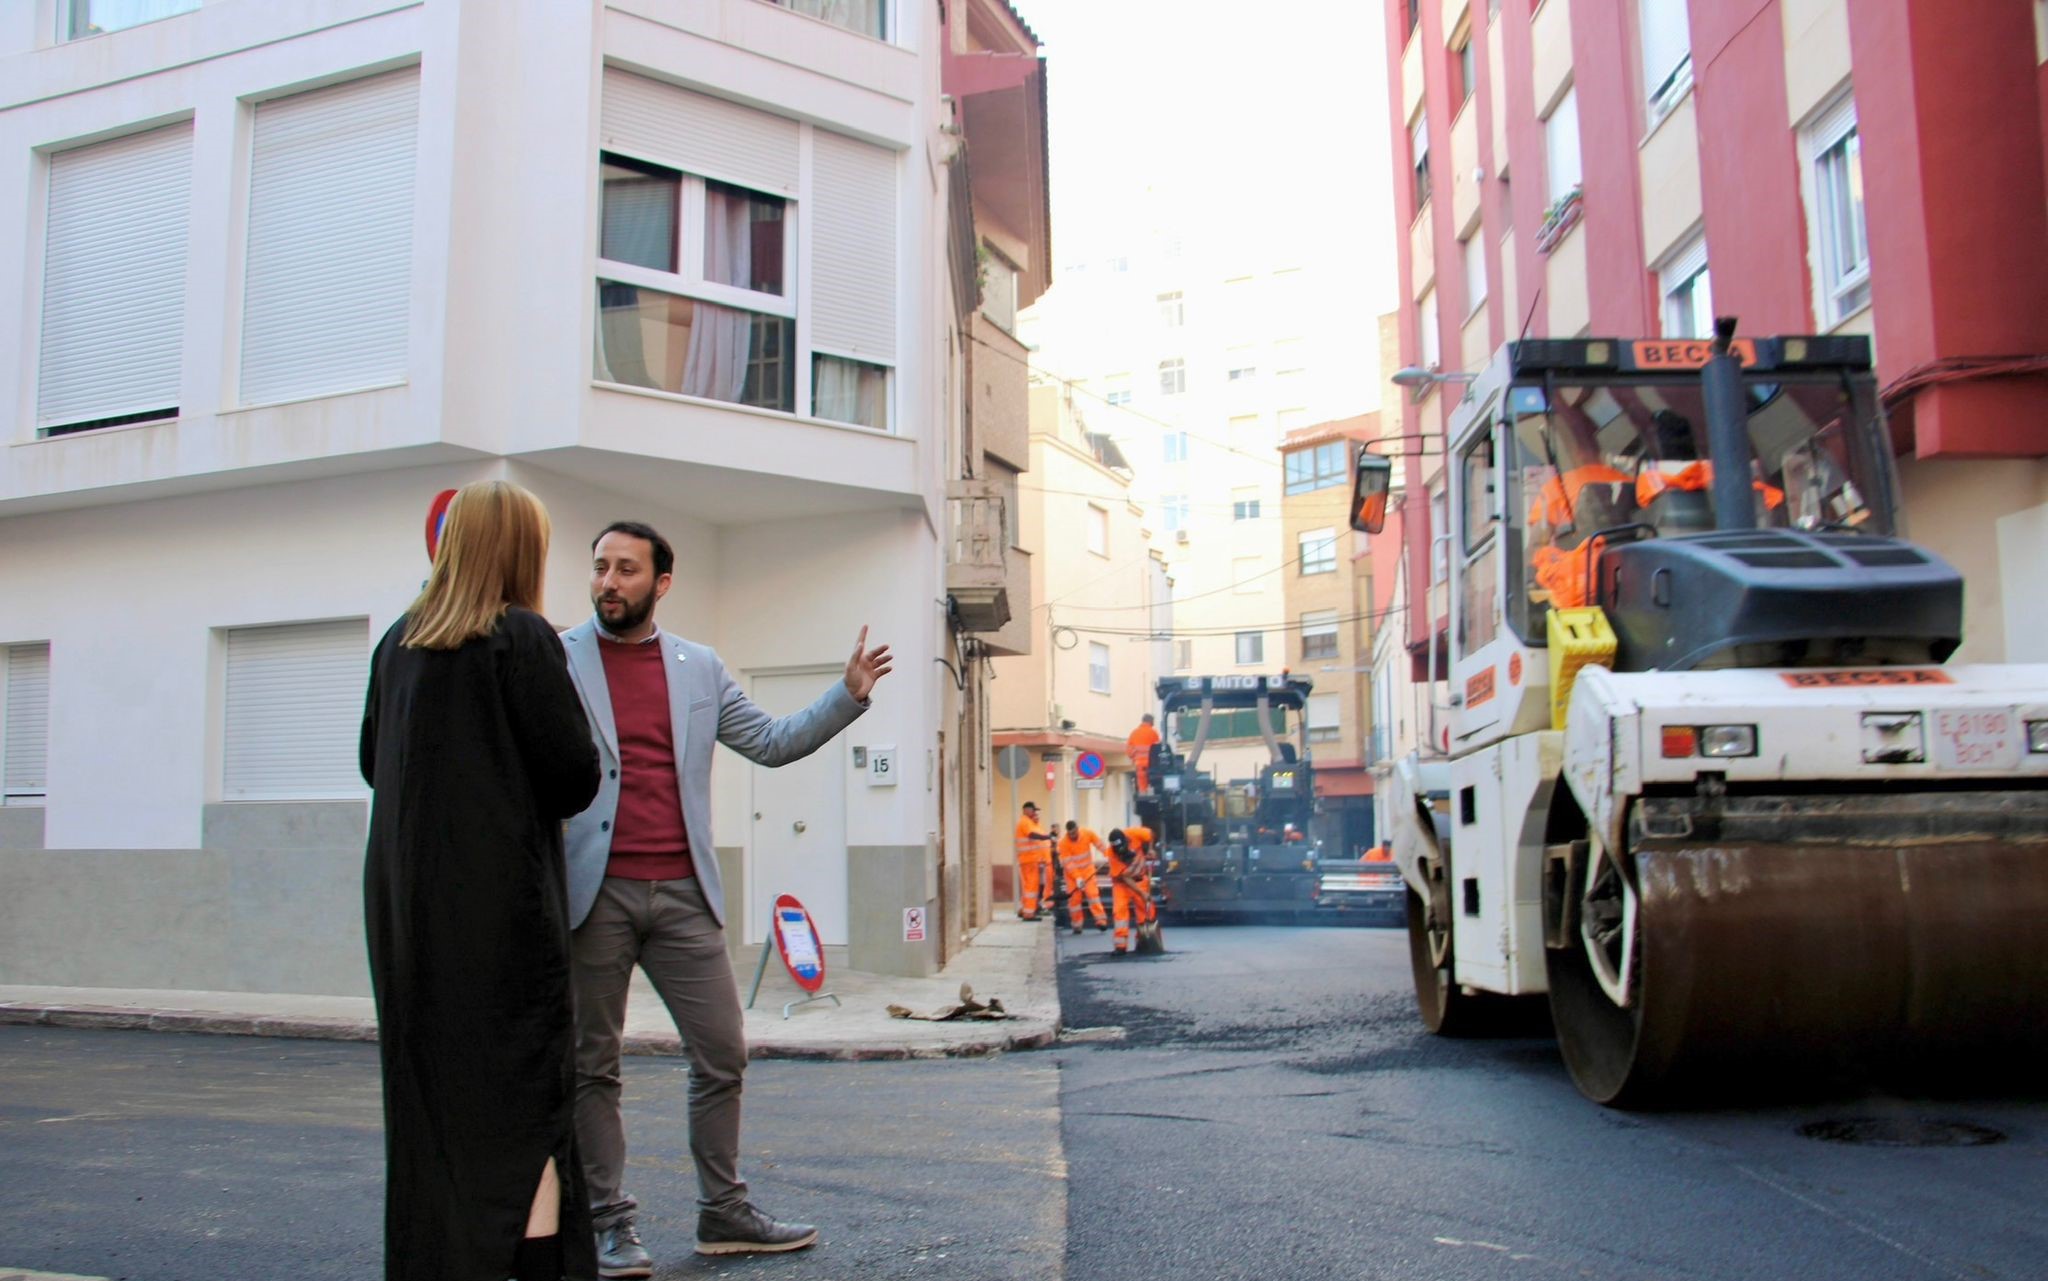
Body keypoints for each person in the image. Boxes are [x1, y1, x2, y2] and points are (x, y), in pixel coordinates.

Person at [560, 521, 893, 1274]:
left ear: (661, 583)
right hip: (593, 892)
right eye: (601, 568)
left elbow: (772, 742)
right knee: (592, 1063)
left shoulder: (698, 667)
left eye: (626, 570)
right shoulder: (558, 657)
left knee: (722, 1052)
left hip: (683, 891)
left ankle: (723, 1208)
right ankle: (609, 1221)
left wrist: (845, 698)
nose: (609, 582)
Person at [360, 479, 602, 1281]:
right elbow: (574, 775)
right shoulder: (522, 636)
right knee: (525, 1108)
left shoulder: (396, 643)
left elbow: (372, 762)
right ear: (520, 549)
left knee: (432, 1113)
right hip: (501, 919)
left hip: (407, 918)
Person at [1106, 826, 1158, 956]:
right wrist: (1142, 893)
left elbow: (1151, 833)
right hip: (1121, 884)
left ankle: (1144, 942)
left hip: (1140, 879)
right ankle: (1120, 946)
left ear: (1126, 840)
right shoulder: (1111, 853)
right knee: (1120, 912)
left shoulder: (1134, 833)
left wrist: (1150, 848)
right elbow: (1125, 877)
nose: (1121, 852)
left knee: (1146, 911)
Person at [1057, 820, 1110, 935]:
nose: (1073, 836)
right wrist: (1077, 878)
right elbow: (1068, 864)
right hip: (1071, 876)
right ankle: (1077, 925)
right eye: (1071, 834)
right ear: (1067, 833)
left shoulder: (1087, 833)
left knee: (1093, 895)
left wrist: (1108, 854)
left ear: (1077, 829)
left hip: (1088, 872)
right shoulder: (1063, 844)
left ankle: (1101, 921)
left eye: (1075, 833)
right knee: (1074, 900)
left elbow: (1099, 844)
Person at [1013, 801, 1055, 920]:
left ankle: (1025, 909)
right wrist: (1046, 837)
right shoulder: (1025, 822)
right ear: (1026, 810)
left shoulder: (1027, 822)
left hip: (1030, 860)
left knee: (1029, 887)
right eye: (1033, 810)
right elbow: (1032, 835)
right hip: (1029, 859)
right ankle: (1029, 914)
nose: (1035, 813)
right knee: (1032, 887)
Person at [1126, 713, 1161, 794]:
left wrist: (1134, 757)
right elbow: (1158, 749)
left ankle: (1143, 798)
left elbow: (1129, 752)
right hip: (1152, 765)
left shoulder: (1134, 733)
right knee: (1155, 785)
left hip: (1140, 765)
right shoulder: (1153, 733)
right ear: (1151, 721)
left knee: (1142, 788)